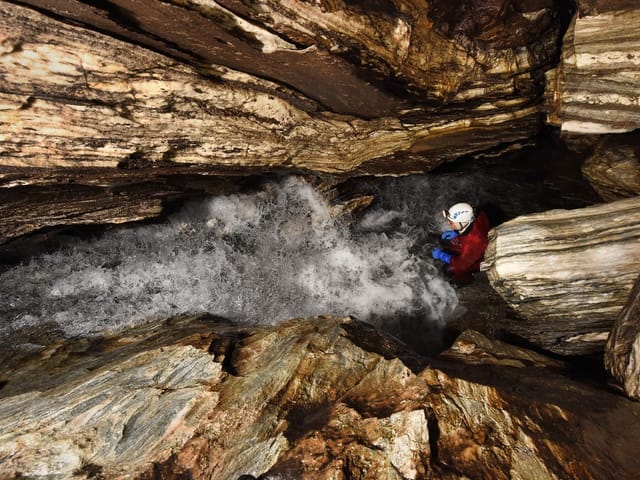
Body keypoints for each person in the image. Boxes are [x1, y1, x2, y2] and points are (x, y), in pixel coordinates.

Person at [431, 202, 490, 287]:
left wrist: (442, 255)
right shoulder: (476, 215)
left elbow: (460, 264)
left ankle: (465, 279)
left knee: (449, 269)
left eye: (451, 222)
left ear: (463, 223)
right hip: (470, 243)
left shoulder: (475, 242)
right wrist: (456, 232)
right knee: (444, 239)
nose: (448, 223)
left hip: (480, 260)